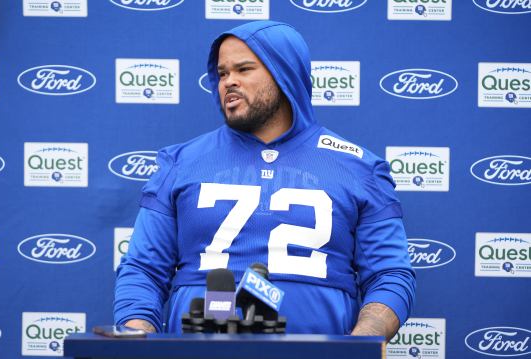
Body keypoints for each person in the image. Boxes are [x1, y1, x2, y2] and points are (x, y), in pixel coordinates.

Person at [114, 20, 416, 338]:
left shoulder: (358, 167)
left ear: (284, 72)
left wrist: (362, 342)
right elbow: (143, 269)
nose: (229, 82)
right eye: (222, 73)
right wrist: (138, 337)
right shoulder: (181, 162)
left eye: (244, 69)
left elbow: (389, 274)